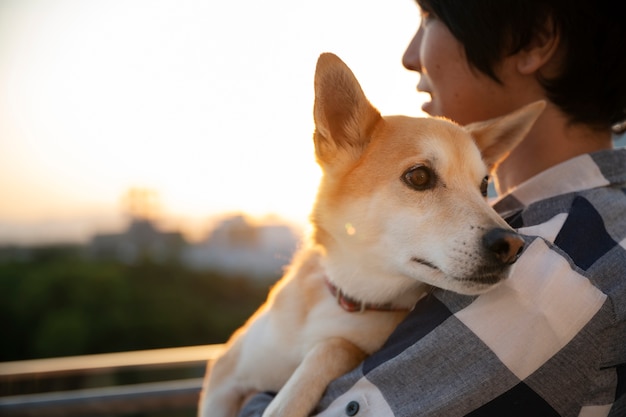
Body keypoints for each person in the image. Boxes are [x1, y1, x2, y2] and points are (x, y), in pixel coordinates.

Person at [240, 0, 626, 415]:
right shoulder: (598, 221)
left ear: (534, 40)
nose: (409, 56)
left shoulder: (558, 267)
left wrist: (248, 394)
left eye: (431, 18)